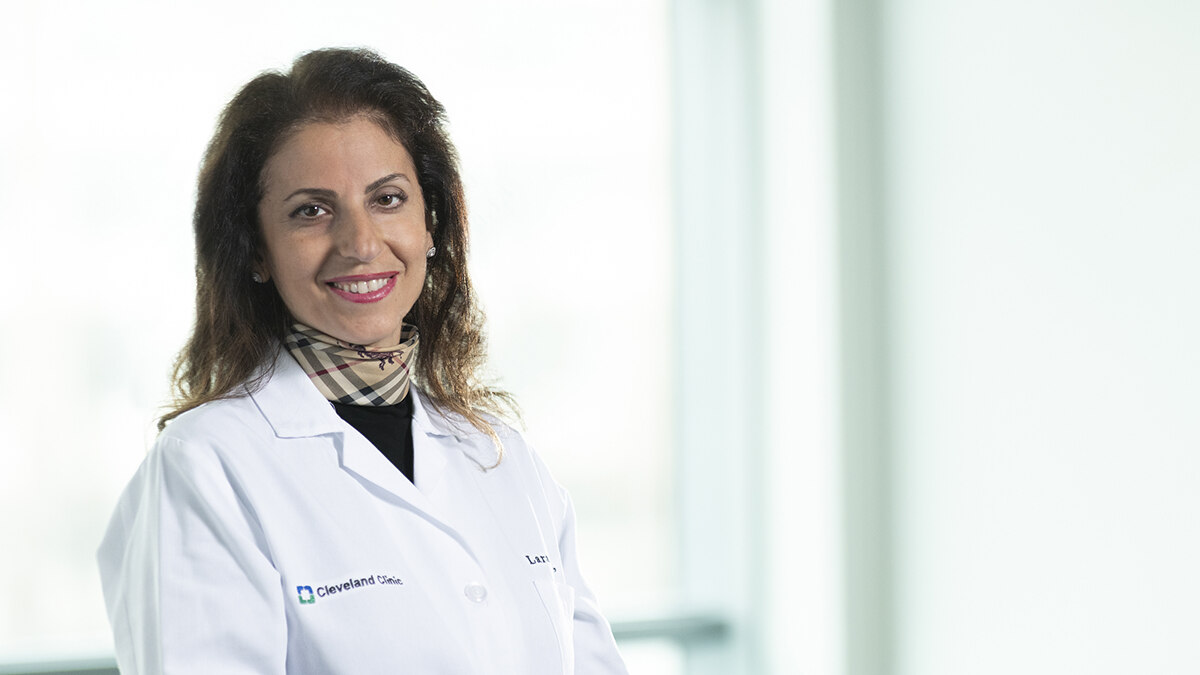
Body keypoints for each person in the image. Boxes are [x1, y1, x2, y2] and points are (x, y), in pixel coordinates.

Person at [97, 48, 628, 674]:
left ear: (430, 226)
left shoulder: (503, 459)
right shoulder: (207, 465)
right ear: (256, 251)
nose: (360, 243)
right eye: (311, 211)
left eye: (387, 198)